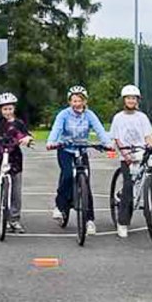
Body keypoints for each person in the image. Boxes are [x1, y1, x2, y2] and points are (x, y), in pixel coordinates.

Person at [45, 86, 113, 235]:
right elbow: (56, 129)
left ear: (84, 101)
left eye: (79, 100)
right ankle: (59, 206)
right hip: (65, 149)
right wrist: (51, 142)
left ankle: (89, 221)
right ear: (70, 102)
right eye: (74, 101)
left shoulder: (89, 115)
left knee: (86, 183)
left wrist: (107, 144)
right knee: (68, 175)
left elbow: (99, 129)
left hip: (82, 150)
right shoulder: (63, 114)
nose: (77, 104)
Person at [109, 84, 152, 239]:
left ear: (137, 100)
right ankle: (123, 222)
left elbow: (147, 135)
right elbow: (116, 138)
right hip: (127, 155)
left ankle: (151, 209)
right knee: (128, 187)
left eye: (134, 98)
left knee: (150, 175)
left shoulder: (142, 117)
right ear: (124, 100)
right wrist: (124, 153)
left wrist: (150, 145)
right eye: (128, 98)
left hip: (141, 153)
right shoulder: (118, 118)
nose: (131, 101)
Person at [0, 91, 33, 232]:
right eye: (5, 109)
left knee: (16, 190)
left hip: (15, 159)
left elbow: (26, 135)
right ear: (0, 110)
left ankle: (14, 219)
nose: (8, 112)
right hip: (0, 157)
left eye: (10, 108)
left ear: (14, 108)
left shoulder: (19, 123)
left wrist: (27, 139)